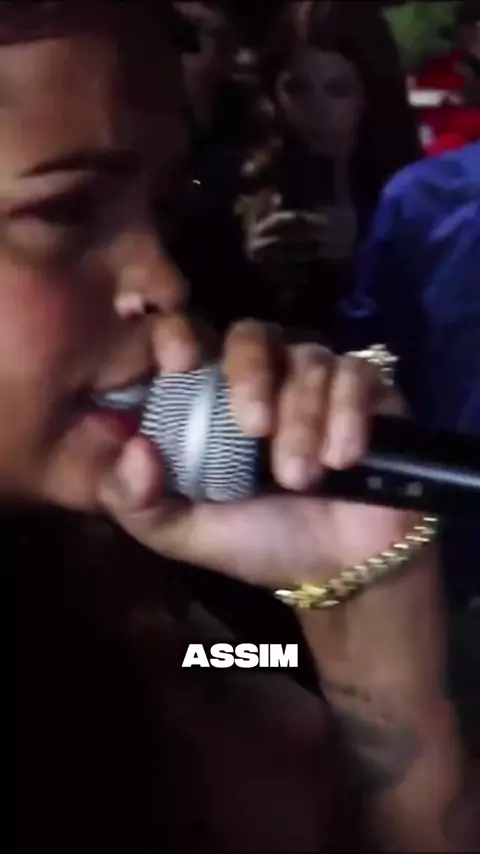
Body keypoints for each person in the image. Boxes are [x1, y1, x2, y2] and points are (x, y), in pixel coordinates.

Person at [2, 2, 476, 851]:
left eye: (166, 205)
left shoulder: (117, 586)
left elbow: (246, 683)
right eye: (67, 210)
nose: (166, 282)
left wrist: (367, 611)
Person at [241, 0, 421, 335]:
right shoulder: (246, 177)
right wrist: (249, 267)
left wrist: (360, 260)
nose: (317, 109)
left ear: (371, 91)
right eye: (297, 89)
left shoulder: (411, 191)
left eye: (339, 90)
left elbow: (422, 325)